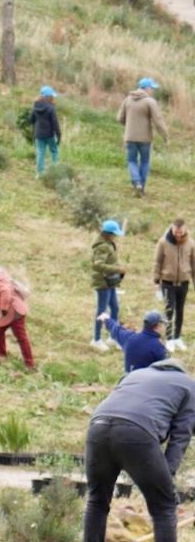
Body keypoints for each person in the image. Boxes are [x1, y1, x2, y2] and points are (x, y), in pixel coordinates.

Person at [77, 358, 195, 542]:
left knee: (97, 499)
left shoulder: (136, 374)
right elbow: (181, 435)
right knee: (164, 506)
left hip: (98, 427)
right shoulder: (188, 385)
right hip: (136, 433)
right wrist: (166, 475)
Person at [118, 77, 168, 197]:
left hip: (130, 137)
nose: (153, 91)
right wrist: (165, 136)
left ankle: (137, 183)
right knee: (145, 161)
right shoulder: (150, 102)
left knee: (131, 161)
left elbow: (120, 118)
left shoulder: (127, 100)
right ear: (146, 88)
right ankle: (142, 187)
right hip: (145, 138)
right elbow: (158, 121)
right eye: (152, 88)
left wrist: (129, 124)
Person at [153, 219, 195, 350]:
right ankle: (169, 338)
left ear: (185, 230)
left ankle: (177, 337)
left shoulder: (191, 244)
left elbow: (194, 265)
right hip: (167, 282)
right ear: (172, 229)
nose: (178, 234)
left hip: (183, 282)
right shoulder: (163, 242)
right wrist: (156, 281)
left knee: (180, 310)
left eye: (180, 231)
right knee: (169, 310)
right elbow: (157, 262)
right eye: (176, 231)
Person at [91, 220, 126, 352]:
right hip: (102, 282)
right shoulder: (102, 247)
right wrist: (117, 269)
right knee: (102, 311)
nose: (115, 236)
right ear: (108, 233)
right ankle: (97, 339)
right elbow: (97, 265)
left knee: (115, 308)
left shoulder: (108, 243)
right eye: (114, 234)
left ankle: (113, 336)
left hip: (110, 282)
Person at [99, 310, 168, 373]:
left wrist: (106, 319)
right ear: (158, 326)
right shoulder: (158, 347)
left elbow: (116, 329)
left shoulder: (130, 338)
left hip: (127, 382)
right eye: (163, 325)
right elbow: (166, 370)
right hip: (147, 384)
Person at [30, 85, 61, 178]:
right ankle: (55, 171)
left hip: (39, 134)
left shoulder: (35, 106)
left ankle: (39, 174)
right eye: (51, 95)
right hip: (50, 134)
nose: (52, 97)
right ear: (48, 96)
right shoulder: (51, 108)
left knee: (40, 153)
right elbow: (55, 123)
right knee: (54, 151)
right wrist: (59, 135)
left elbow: (31, 120)